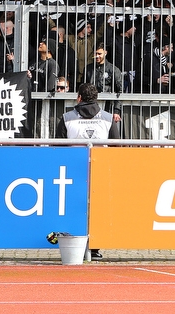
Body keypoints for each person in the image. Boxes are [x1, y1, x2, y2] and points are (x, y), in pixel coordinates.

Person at [55, 82, 120, 261]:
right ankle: (95, 248)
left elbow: (57, 146)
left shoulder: (67, 117)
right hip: (99, 171)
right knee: (97, 208)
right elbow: (116, 146)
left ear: (79, 98)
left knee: (75, 207)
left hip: (72, 171)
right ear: (97, 98)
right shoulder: (107, 119)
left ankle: (74, 246)